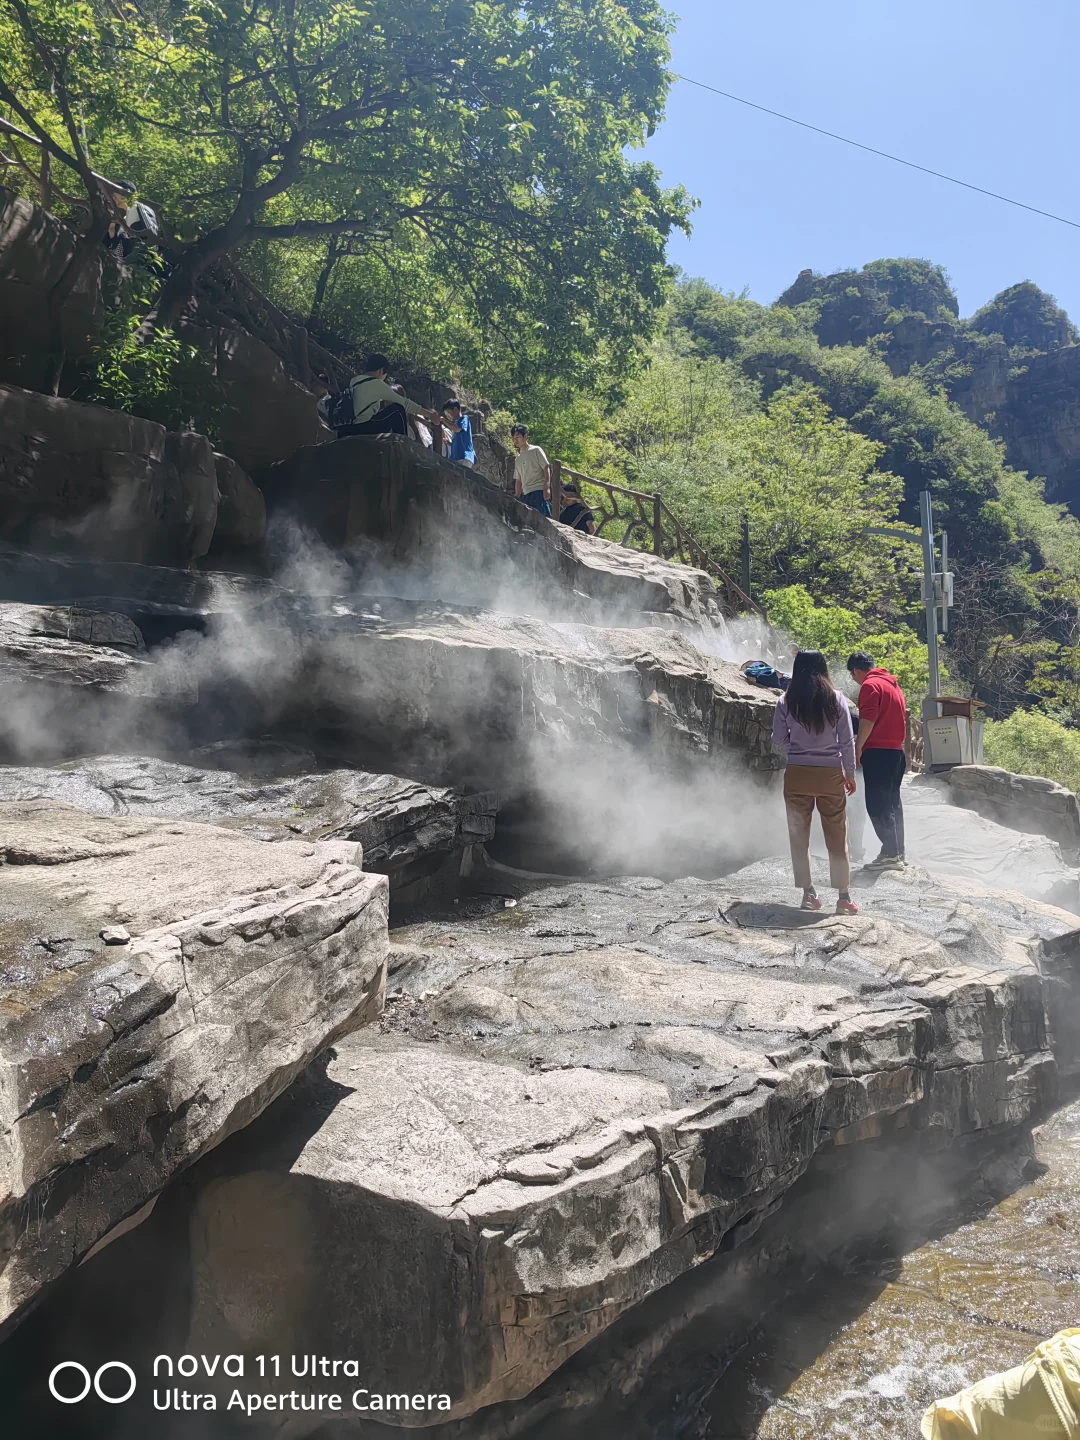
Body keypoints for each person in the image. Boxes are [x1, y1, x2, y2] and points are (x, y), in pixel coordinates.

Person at [771, 650, 859, 914]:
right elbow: (847, 740)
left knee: (798, 835)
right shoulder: (837, 699)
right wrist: (850, 773)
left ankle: (809, 894)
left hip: (797, 772)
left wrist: (796, 749)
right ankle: (843, 898)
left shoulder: (786, 700)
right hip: (830, 773)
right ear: (823, 669)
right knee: (837, 834)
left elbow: (777, 739)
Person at [847, 650, 908, 870]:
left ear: (856, 670)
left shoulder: (870, 686)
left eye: (853, 676)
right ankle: (898, 851)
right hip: (896, 752)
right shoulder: (893, 685)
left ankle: (890, 855)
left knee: (877, 804)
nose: (855, 680)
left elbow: (869, 718)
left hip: (878, 752)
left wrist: (858, 746)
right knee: (893, 803)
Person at [338, 354, 441, 439]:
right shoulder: (376, 384)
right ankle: (403, 444)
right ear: (381, 371)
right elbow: (405, 403)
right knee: (398, 410)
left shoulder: (354, 381)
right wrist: (429, 415)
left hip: (346, 429)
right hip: (363, 428)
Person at [511, 424, 551, 516]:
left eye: (518, 437)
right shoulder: (518, 459)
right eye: (514, 438)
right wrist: (517, 496)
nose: (515, 440)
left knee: (544, 520)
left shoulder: (536, 450)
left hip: (539, 491)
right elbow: (518, 480)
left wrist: (547, 487)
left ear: (525, 436)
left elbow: (546, 467)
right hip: (526, 494)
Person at [441, 400, 476, 467]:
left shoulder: (464, 419)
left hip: (464, 456)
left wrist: (443, 420)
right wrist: (449, 443)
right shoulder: (455, 424)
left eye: (448, 413)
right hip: (456, 457)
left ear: (456, 409)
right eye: (446, 415)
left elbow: (458, 429)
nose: (448, 417)